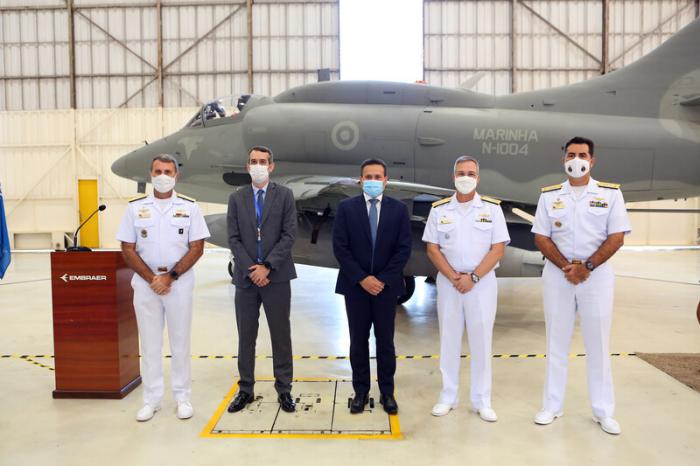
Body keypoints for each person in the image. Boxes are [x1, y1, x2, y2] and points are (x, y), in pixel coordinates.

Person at [531, 136, 631, 435]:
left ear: (592, 160)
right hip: (558, 275)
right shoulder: (549, 196)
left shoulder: (611, 194)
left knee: (598, 345)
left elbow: (617, 236)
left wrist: (586, 267)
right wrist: (566, 266)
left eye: (582, 155)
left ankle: (603, 411)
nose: (577, 160)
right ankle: (552, 405)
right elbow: (541, 236)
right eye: (571, 154)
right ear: (564, 159)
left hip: (596, 277)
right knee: (555, 342)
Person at [116, 153, 210, 422]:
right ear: (150, 174)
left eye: (168, 172)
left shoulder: (190, 207)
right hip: (146, 286)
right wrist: (152, 279)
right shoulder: (135, 208)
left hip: (178, 284)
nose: (163, 177)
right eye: (158, 171)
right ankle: (151, 400)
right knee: (150, 343)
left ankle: (182, 397)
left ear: (176, 176)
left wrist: (170, 277)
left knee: (180, 342)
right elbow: (127, 247)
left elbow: (197, 247)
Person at [422, 155, 510, 421]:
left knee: (481, 341)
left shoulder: (492, 209)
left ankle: (482, 400)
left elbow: (498, 249)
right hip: (450, 284)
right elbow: (432, 248)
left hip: (481, 285)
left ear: (478, 178)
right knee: (449, 340)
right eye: (461, 172)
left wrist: (472, 278)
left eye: (471, 173)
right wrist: (453, 277)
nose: (465, 177)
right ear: (453, 177)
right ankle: (448, 396)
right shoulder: (439, 210)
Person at [332, 158, 412, 415]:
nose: (373, 181)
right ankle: (361, 392)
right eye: (369, 177)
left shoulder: (399, 210)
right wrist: (362, 278)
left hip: (386, 288)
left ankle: (387, 393)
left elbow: (403, 250)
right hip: (355, 287)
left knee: (385, 342)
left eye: (378, 177)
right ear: (360, 180)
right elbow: (340, 248)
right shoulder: (346, 208)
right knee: (358, 341)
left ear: (386, 181)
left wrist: (383, 279)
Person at [226, 146, 298, 414]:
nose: (258, 165)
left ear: (271, 166)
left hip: (276, 277)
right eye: (253, 161)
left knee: (281, 335)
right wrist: (251, 268)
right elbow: (233, 238)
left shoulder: (285, 196)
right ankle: (245, 389)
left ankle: (285, 389)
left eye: (263, 161)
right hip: (246, 280)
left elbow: (289, 235)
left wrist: (267, 267)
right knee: (246, 336)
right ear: (247, 167)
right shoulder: (236, 198)